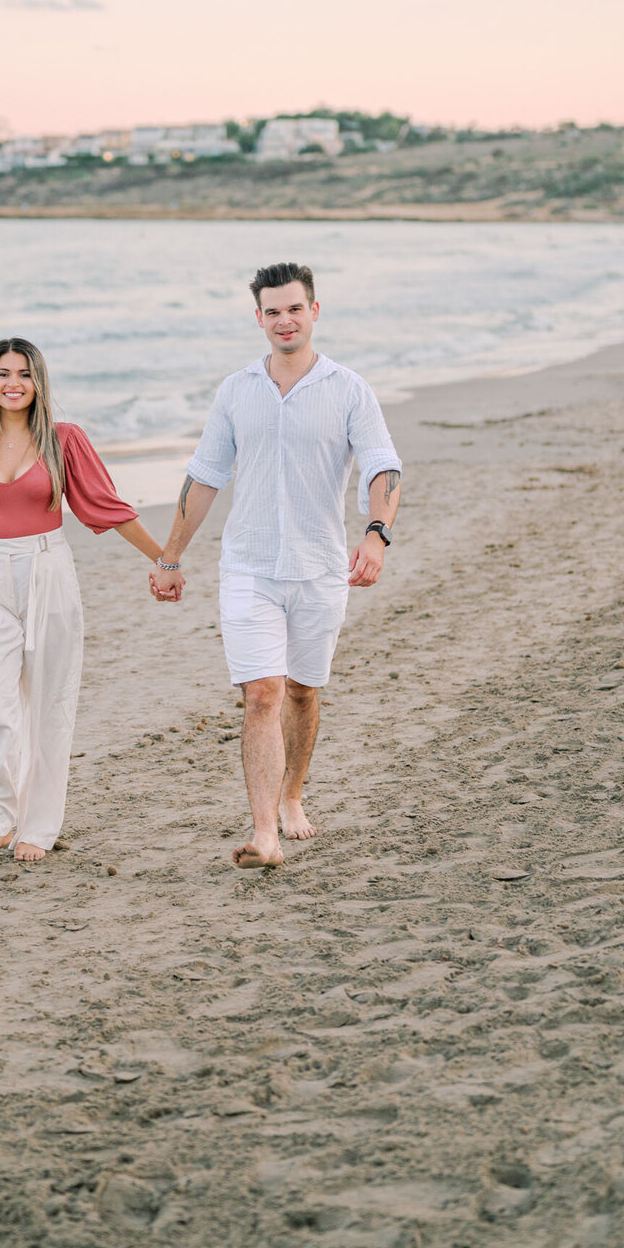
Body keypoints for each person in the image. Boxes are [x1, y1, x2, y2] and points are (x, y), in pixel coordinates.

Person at [151, 262, 401, 869]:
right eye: (272, 311)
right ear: (258, 317)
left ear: (314, 311)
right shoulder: (236, 391)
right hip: (249, 568)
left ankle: (292, 796)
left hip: (320, 569)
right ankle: (264, 832)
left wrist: (376, 537)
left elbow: (382, 467)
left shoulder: (348, 389)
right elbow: (204, 477)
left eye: (294, 308)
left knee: (302, 691)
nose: (284, 320)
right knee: (261, 693)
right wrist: (170, 556)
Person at [0, 337, 171, 865]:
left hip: (48, 571)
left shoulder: (63, 440)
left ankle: (38, 827)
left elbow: (107, 508)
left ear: (39, 381)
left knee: (49, 705)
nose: (13, 383)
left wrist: (165, 558)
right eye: (3, 373)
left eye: (24, 373)